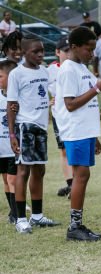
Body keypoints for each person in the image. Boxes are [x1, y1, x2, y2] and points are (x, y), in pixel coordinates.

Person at [56, 26, 101, 241]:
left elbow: (87, 105)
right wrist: (97, 88)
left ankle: (77, 224)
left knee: (84, 175)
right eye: (88, 49)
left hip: (85, 131)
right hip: (75, 131)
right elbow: (70, 104)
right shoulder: (68, 69)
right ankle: (74, 227)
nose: (92, 53)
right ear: (74, 47)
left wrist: (94, 135)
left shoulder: (82, 68)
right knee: (80, 176)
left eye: (93, 49)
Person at [7, 36, 60, 233]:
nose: (40, 54)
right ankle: (21, 219)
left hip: (41, 127)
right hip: (25, 126)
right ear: (23, 53)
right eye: (35, 52)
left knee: (40, 171)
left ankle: (37, 216)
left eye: (42, 51)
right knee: (23, 171)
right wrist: (12, 135)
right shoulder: (17, 74)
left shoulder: (45, 72)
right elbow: (11, 105)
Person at [48, 36, 73, 199]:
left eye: (71, 50)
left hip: (74, 114)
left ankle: (78, 181)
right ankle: (71, 183)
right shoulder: (50, 70)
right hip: (59, 115)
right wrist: (46, 101)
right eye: (65, 51)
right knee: (63, 150)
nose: (68, 54)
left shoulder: (76, 67)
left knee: (73, 148)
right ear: (57, 52)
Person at [0, 60, 18, 224]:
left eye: (0, 76)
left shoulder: (17, 97)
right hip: (1, 149)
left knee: (13, 180)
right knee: (6, 180)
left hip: (13, 147)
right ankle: (13, 212)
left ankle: (16, 213)